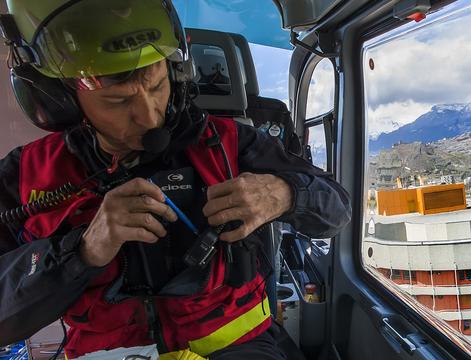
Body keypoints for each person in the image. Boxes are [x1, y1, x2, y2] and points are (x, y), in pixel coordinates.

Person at [0, 1, 351, 359]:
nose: (149, 117)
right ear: (62, 100)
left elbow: (337, 208)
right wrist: (82, 250)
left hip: (238, 345)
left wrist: (285, 194)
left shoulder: (230, 140)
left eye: (156, 87)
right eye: (118, 101)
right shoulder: (25, 173)